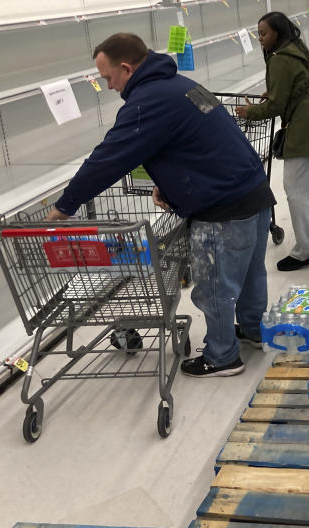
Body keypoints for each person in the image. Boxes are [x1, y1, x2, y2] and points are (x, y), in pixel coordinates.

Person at [47, 33, 275, 378]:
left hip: (223, 206)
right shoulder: (179, 84)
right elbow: (196, 140)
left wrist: (64, 207)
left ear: (126, 68)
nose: (108, 86)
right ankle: (254, 331)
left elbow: (107, 159)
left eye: (108, 77)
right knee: (250, 273)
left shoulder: (147, 101)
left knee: (215, 284)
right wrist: (167, 183)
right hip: (254, 191)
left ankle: (223, 356)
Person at [235, 12, 309, 271]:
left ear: (277, 32)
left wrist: (249, 112)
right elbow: (303, 86)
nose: (260, 39)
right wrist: (277, 92)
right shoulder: (298, 51)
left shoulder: (279, 60)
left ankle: (304, 250)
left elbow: (276, 105)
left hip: (304, 127)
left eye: (264, 33)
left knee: (296, 191)